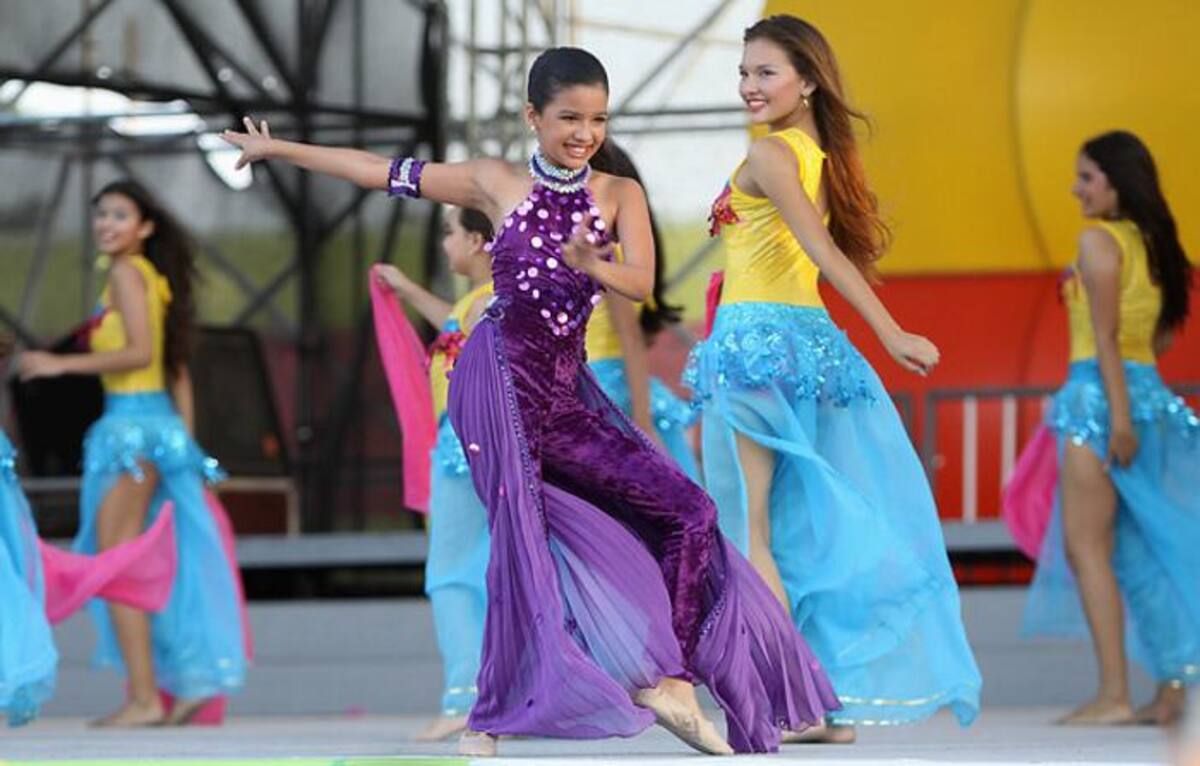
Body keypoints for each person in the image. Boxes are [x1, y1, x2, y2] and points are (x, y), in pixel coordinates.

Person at [223, 46, 839, 756]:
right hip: (497, 381)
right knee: (520, 541)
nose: (584, 132)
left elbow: (638, 284)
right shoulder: (495, 182)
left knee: (690, 511)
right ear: (532, 117)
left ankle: (666, 677)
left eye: (598, 118)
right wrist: (277, 149)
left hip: (568, 393)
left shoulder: (617, 194)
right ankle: (489, 717)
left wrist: (592, 263)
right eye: (569, 117)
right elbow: (379, 172)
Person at [685, 15, 981, 739]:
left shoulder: (773, 157)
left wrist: (890, 333)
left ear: (807, 81)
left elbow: (820, 252)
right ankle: (814, 707)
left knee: (748, 528)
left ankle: (786, 703)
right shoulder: (814, 153)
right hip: (801, 347)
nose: (750, 86)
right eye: (744, 72)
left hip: (758, 348)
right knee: (783, 532)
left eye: (766, 73)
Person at [18, 180, 247, 727]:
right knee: (148, 557)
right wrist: (183, 441)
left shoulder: (127, 274)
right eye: (100, 215)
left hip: (131, 429)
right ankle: (179, 684)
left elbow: (142, 353)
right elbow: (175, 367)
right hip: (153, 426)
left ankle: (145, 697)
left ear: (144, 227)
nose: (106, 224)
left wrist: (58, 365)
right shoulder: (149, 277)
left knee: (115, 560)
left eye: (119, 215)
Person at [1019, 130, 1198, 726]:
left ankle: (1114, 694)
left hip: (1100, 404)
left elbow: (1104, 340)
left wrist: (1117, 417)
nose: (1076, 188)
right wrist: (1134, 405)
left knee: (1087, 546)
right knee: (1146, 549)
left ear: (1117, 181)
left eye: (1086, 177)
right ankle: (1172, 687)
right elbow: (1159, 337)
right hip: (1149, 396)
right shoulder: (1155, 244)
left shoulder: (1097, 241)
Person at [374, 207, 494, 741]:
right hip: (477, 445)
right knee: (487, 568)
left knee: (450, 573)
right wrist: (406, 289)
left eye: (450, 234)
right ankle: (493, 694)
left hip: (464, 446)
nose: (446, 245)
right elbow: (454, 317)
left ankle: (466, 695)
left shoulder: (491, 303)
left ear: (478, 240)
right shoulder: (478, 301)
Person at [585, 141, 698, 478]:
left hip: (604, 390)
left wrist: (643, 425)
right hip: (598, 386)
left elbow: (631, 338)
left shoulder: (609, 254)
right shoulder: (612, 254)